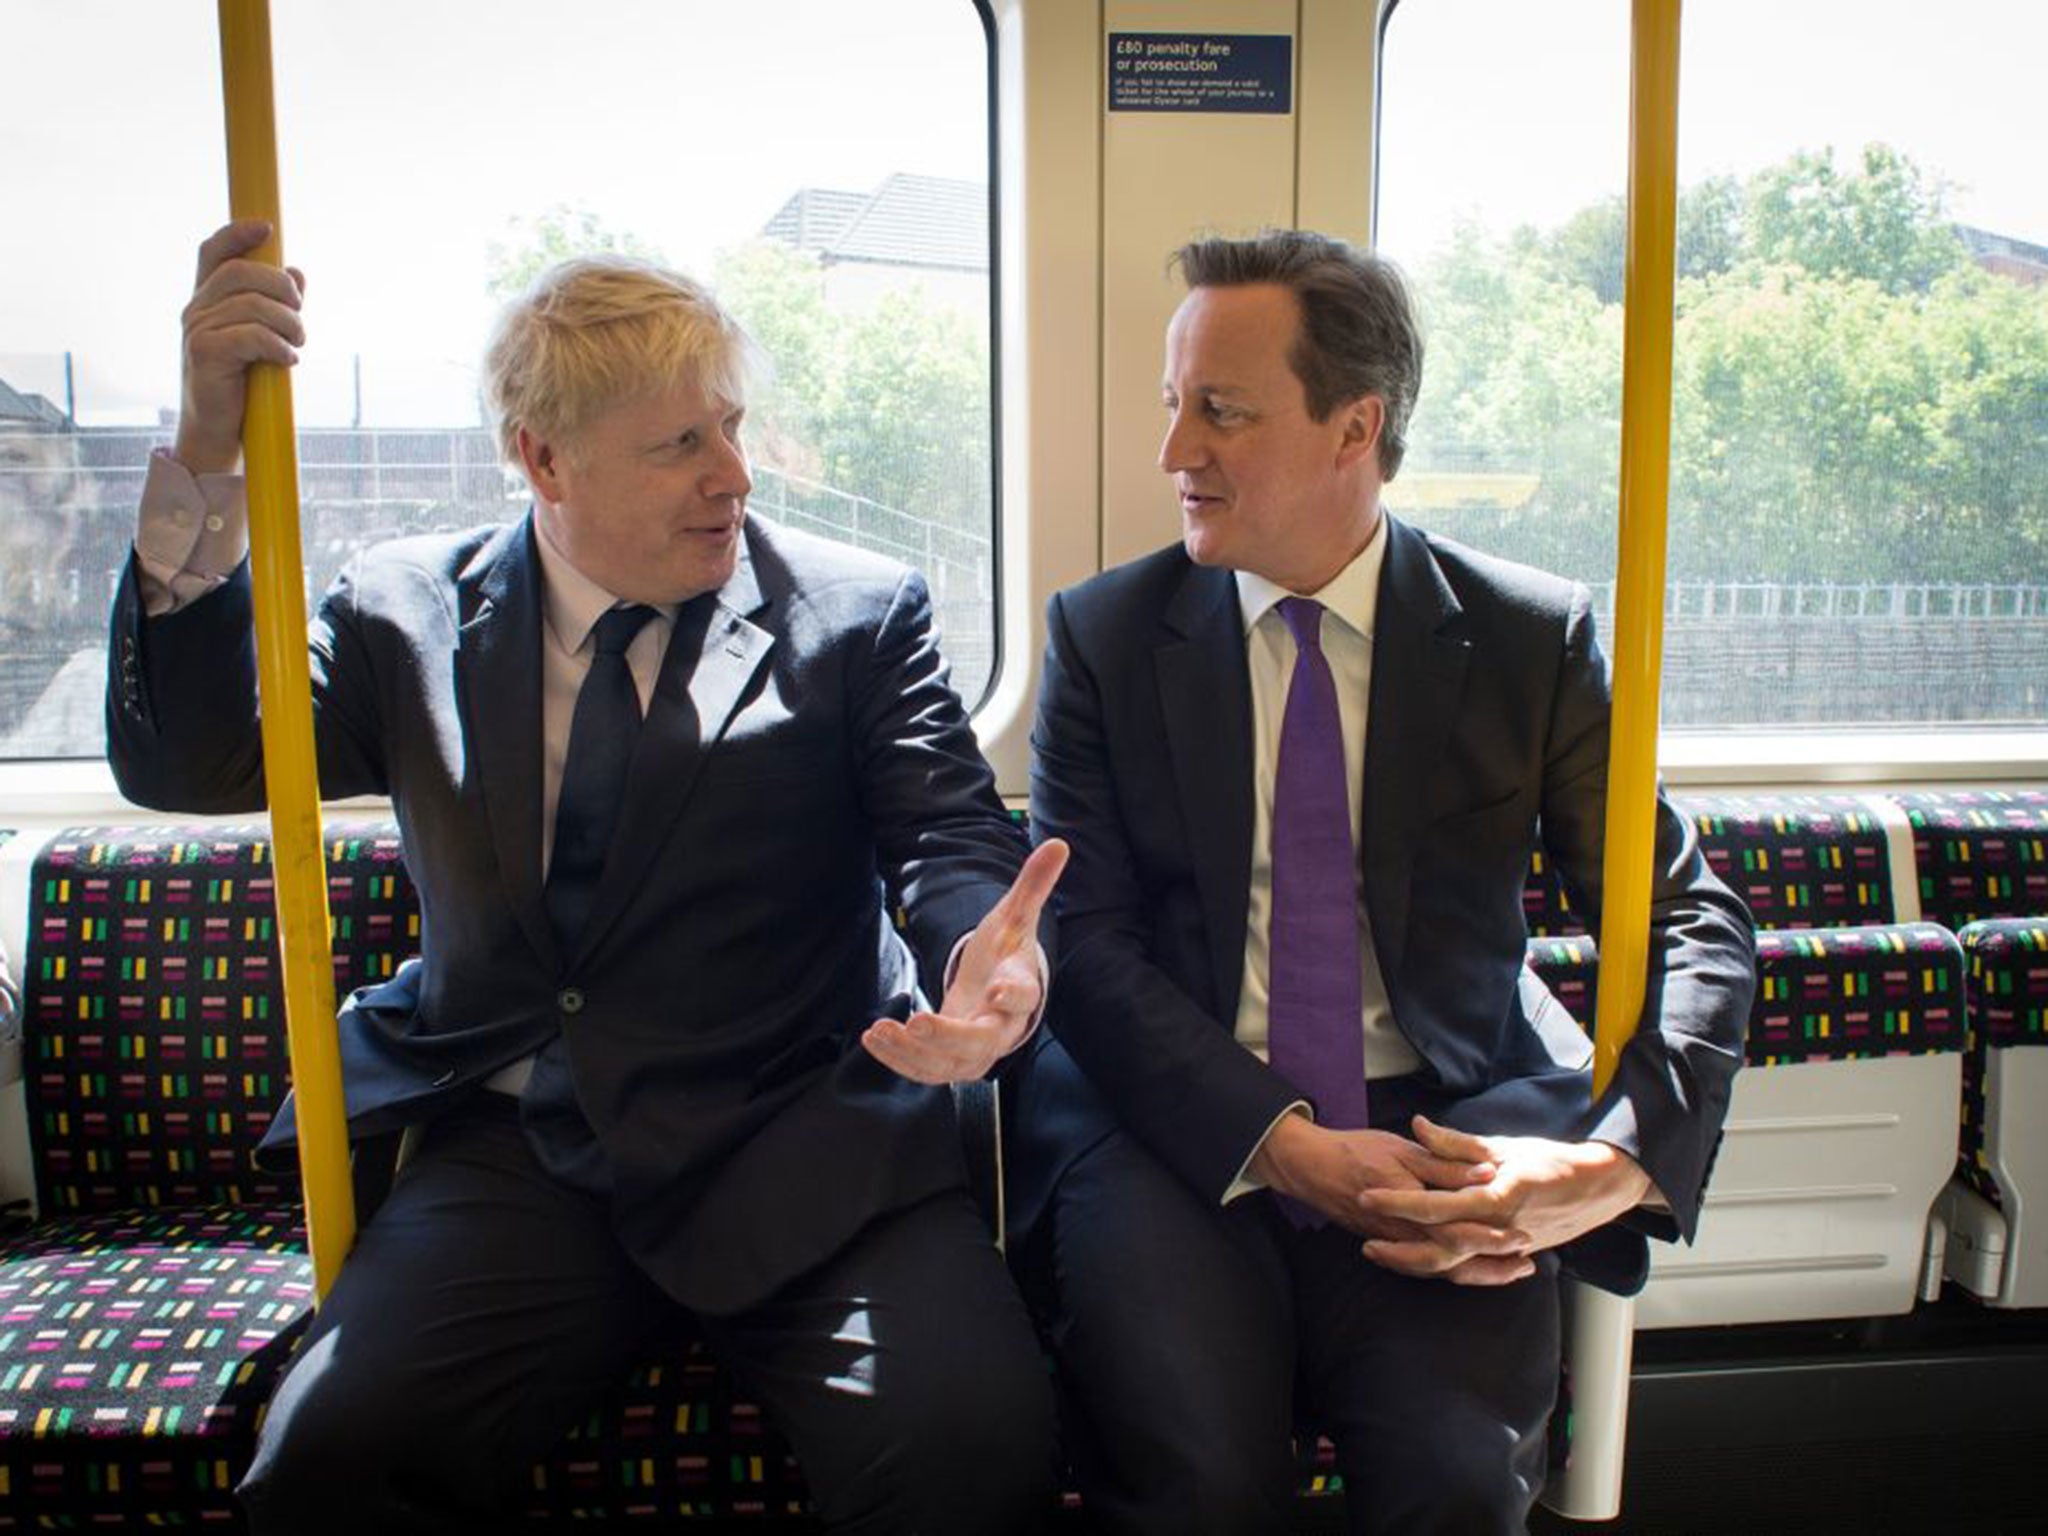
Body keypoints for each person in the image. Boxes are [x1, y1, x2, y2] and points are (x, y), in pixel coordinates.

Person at [107, 220, 1064, 1535]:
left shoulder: (855, 613)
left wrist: (988, 962)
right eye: (681, 445)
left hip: (807, 1136)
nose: (734, 475)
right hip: (524, 1150)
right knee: (333, 1459)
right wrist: (209, 441)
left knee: (976, 1454)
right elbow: (190, 757)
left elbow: (948, 837)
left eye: (730, 428)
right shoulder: (403, 614)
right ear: (541, 457)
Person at [1004, 229, 1755, 1534]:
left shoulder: (1528, 639)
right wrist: (1284, 1148)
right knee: (1197, 1481)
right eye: (1172, 404)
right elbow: (1089, 950)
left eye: (1220, 411)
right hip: (1174, 1116)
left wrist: (1613, 1163)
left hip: (1437, 1121)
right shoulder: (1105, 638)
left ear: (1355, 428)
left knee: (1452, 1487)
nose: (1175, 449)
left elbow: (1691, 920)